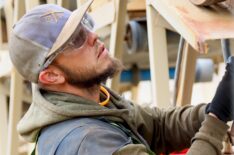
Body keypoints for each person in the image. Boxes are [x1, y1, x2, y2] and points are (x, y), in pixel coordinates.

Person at [9, 0, 234, 154]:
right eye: (76, 40)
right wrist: (217, 117)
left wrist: (217, 106)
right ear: (51, 75)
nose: (93, 36)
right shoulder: (86, 143)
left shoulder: (92, 102)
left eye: (85, 25)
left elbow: (157, 126)